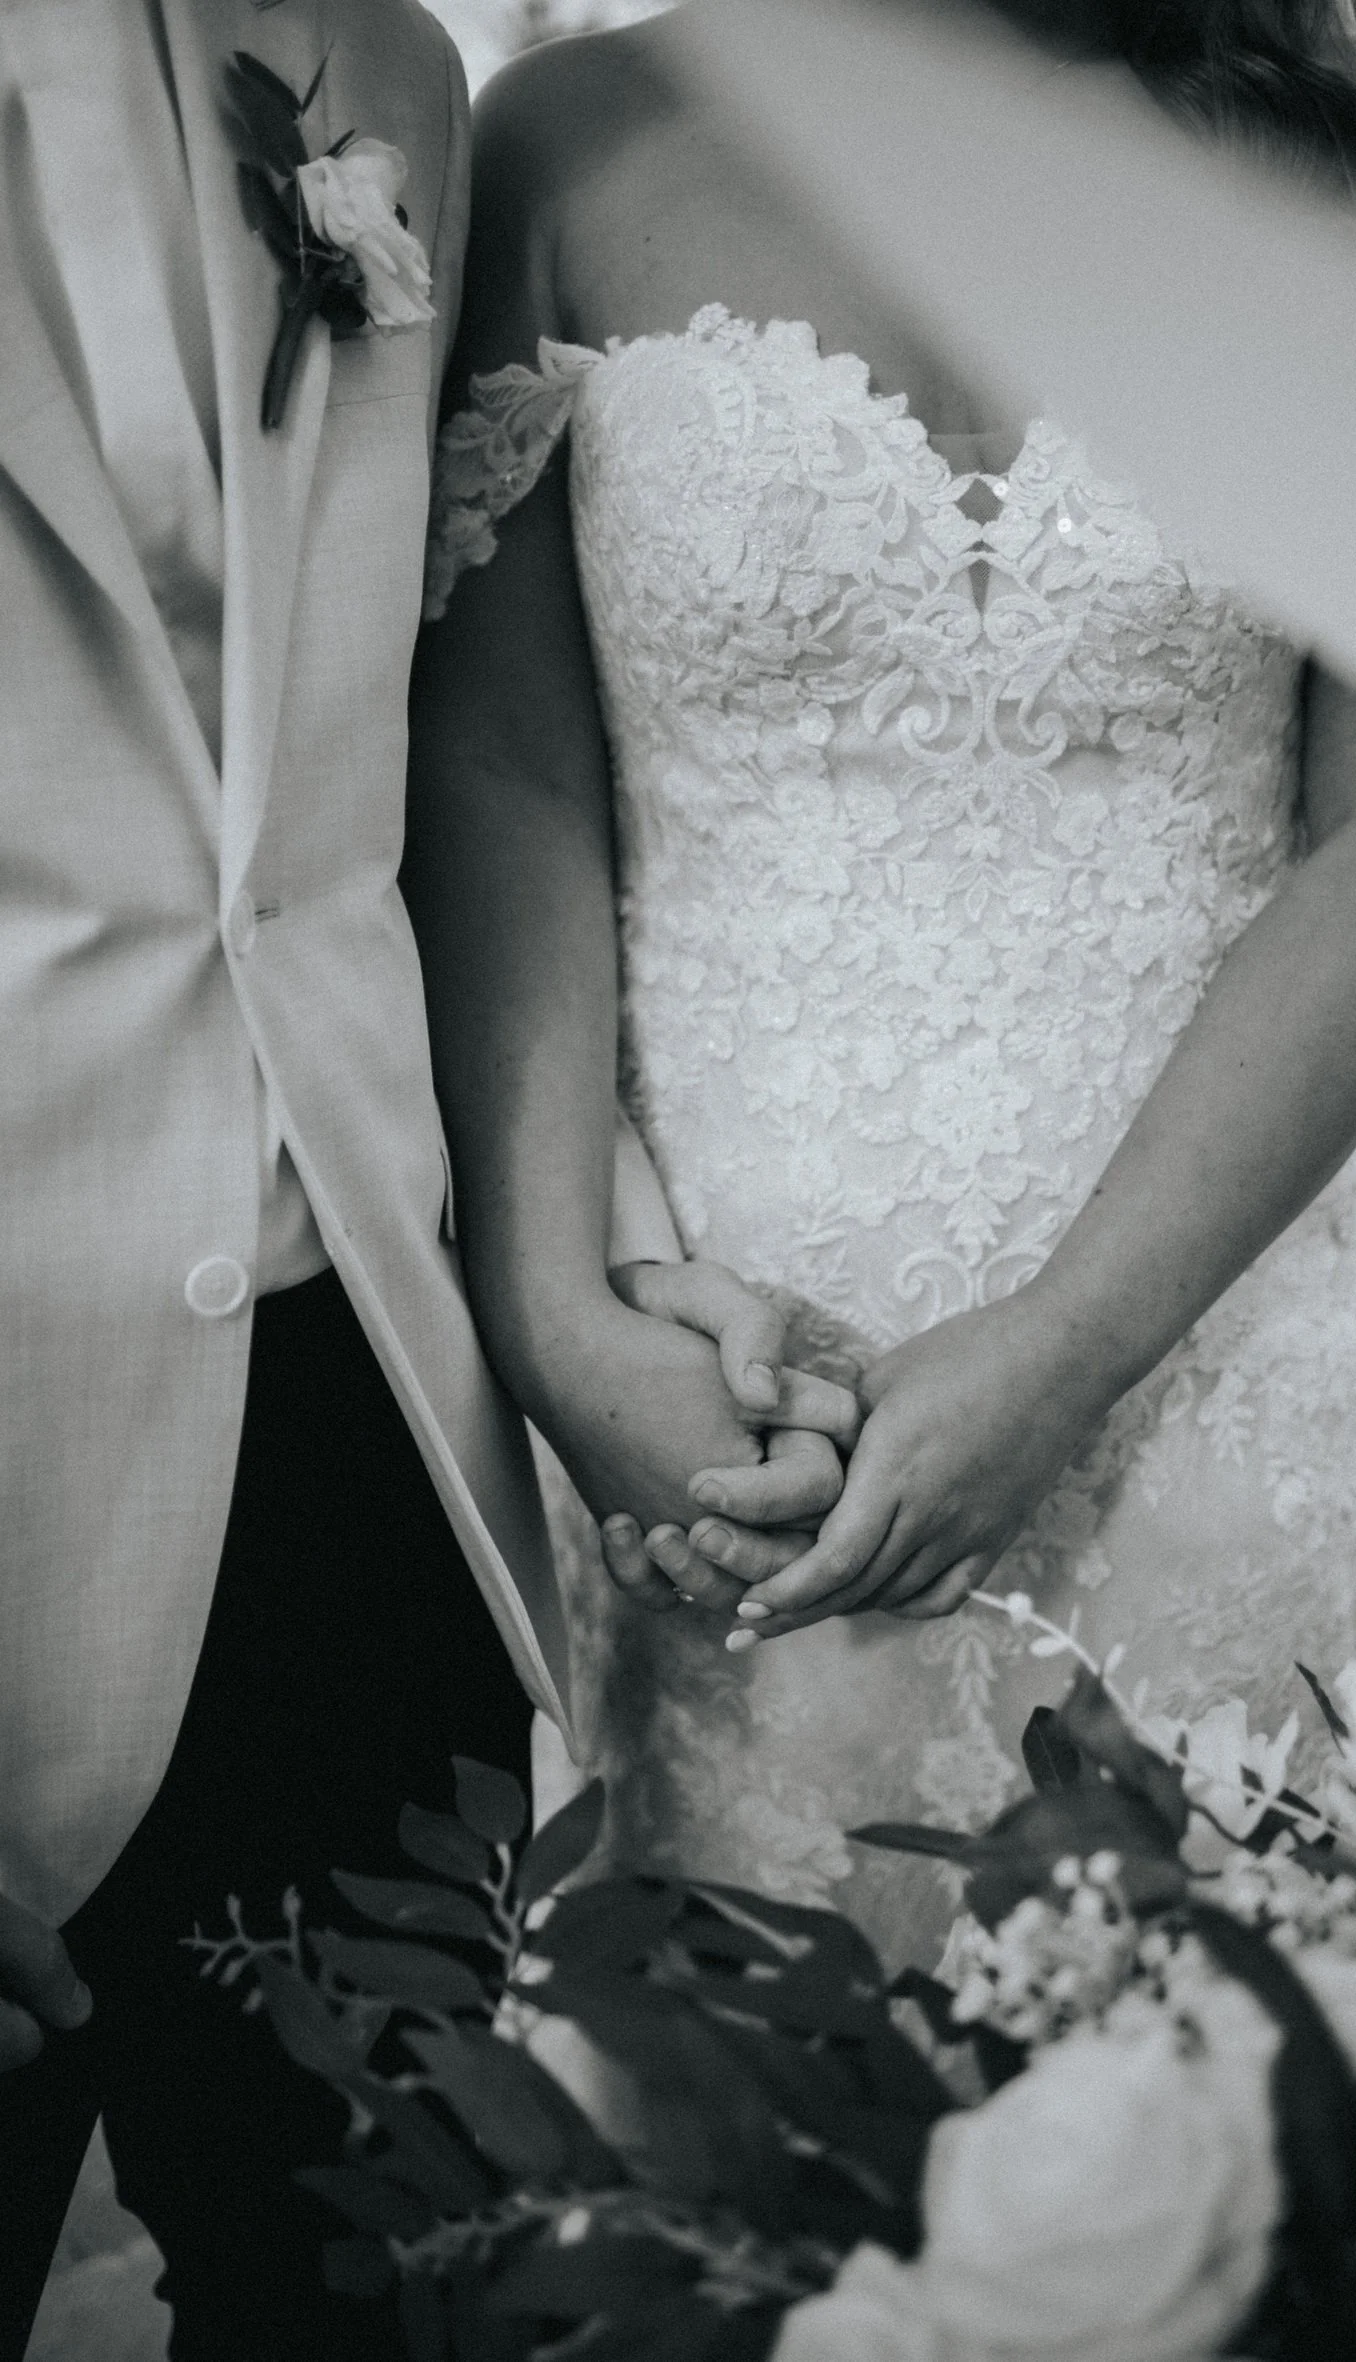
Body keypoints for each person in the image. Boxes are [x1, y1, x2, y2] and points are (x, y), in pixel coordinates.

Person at [408, 0, 1356, 1970]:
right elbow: (501, 784)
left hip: (1207, 1345)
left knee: (1199, 2113)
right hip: (715, 1396)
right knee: (730, 2150)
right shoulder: (570, 138)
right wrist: (564, 1316)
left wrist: (1072, 1340)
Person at [0, 3, 853, 2354]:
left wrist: (616, 1254)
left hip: (357, 1430)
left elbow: (365, 818)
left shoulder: (386, 76)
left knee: (396, 2291)